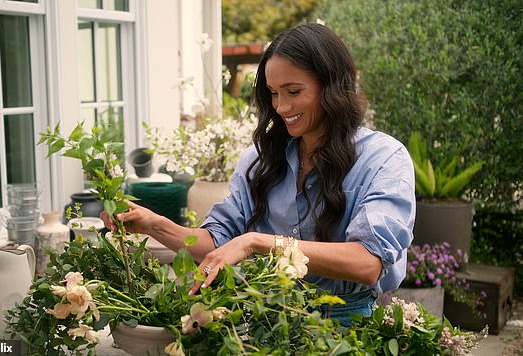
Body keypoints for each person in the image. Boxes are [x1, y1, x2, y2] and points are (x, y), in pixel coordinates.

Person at [101, 23, 415, 326]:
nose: (280, 106)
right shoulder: (261, 160)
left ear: (332, 87)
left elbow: (367, 263)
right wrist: (154, 224)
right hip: (266, 325)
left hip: (347, 330)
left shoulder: (383, 158)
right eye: (273, 93)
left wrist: (256, 242)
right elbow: (217, 242)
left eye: (293, 91)